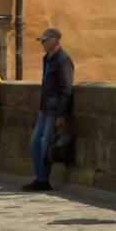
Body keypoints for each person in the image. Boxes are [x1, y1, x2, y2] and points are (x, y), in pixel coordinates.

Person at [23, 28, 74, 191]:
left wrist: (62, 114)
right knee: (35, 143)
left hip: (54, 109)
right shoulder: (47, 59)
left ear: (55, 41)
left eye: (45, 40)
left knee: (46, 143)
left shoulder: (63, 60)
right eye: (42, 41)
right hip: (44, 108)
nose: (43, 43)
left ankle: (43, 180)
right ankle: (40, 177)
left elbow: (66, 88)